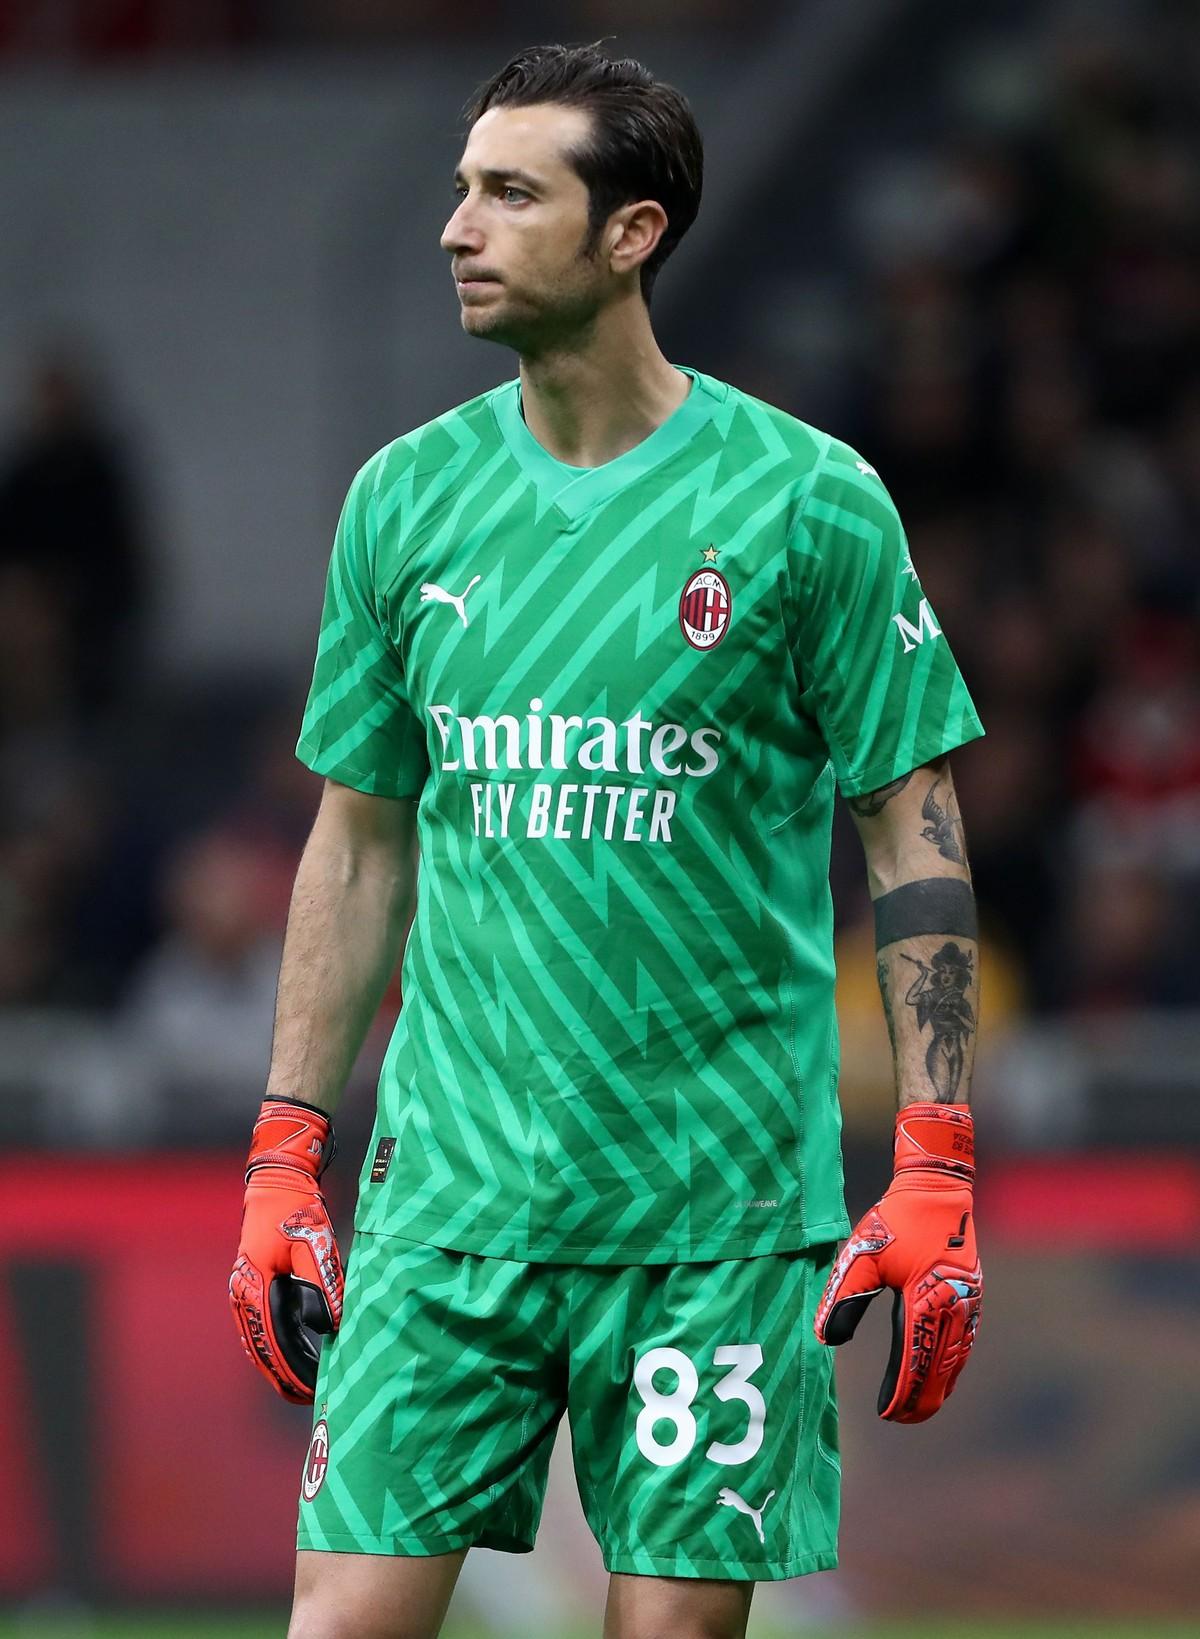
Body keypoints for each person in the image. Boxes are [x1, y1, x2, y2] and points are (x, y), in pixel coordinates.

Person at [230, 43, 985, 1639]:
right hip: (450, 1200)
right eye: (461, 189)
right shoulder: (404, 503)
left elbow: (913, 830)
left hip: (712, 1212)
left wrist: (935, 1158)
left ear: (632, 233)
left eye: (512, 193)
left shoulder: (808, 503)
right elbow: (357, 849)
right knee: (339, 1624)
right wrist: (285, 1150)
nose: (458, 227)